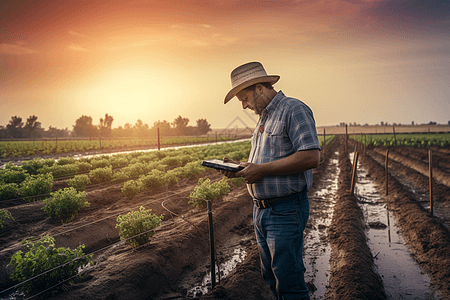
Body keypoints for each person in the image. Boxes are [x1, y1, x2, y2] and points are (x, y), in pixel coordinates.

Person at [220, 62, 320, 300]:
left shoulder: (293, 109)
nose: (244, 105)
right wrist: (242, 167)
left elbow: (311, 156)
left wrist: (261, 171)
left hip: (285, 210)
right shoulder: (265, 117)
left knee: (289, 282)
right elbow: (266, 160)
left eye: (245, 98)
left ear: (259, 88)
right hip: (262, 212)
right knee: (271, 279)